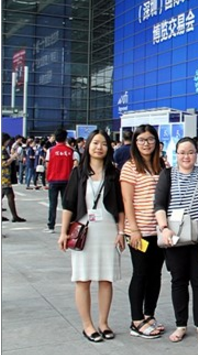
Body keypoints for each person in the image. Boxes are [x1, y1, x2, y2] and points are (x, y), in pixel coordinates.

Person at [57, 130, 125, 343]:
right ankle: (87, 325)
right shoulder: (78, 172)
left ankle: (103, 323)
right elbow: (68, 204)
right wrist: (63, 232)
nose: (99, 147)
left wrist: (121, 231)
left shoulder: (113, 173)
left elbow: (121, 207)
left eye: (103, 143)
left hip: (108, 231)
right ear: (88, 146)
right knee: (83, 279)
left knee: (106, 279)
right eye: (95, 143)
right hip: (84, 231)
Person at [154, 137, 198, 344]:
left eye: (190, 152)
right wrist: (164, 228)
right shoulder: (167, 175)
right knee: (178, 281)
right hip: (174, 236)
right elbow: (159, 204)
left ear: (197, 154)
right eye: (182, 152)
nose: (186, 156)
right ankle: (181, 325)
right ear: (176, 154)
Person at [120, 124, 166, 338]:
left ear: (156, 142)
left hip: (159, 231)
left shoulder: (161, 165)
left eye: (150, 139)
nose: (146, 144)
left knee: (155, 274)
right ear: (135, 143)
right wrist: (134, 230)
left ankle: (149, 315)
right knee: (140, 273)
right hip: (139, 231)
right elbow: (127, 201)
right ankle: (136, 320)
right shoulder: (130, 167)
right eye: (141, 140)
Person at [45, 128, 78, 233]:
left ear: (55, 138)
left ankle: (51, 226)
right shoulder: (71, 151)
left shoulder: (50, 151)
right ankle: (68, 226)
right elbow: (75, 166)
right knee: (67, 205)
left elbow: (47, 165)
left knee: (52, 204)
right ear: (65, 138)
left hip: (53, 180)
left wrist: (47, 178)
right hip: (67, 181)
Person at [2, 133, 25, 222]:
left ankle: (14, 216)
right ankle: (15, 216)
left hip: (4, 176)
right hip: (4, 176)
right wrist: (13, 157)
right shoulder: (2, 150)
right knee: (10, 195)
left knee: (4, 194)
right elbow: (4, 163)